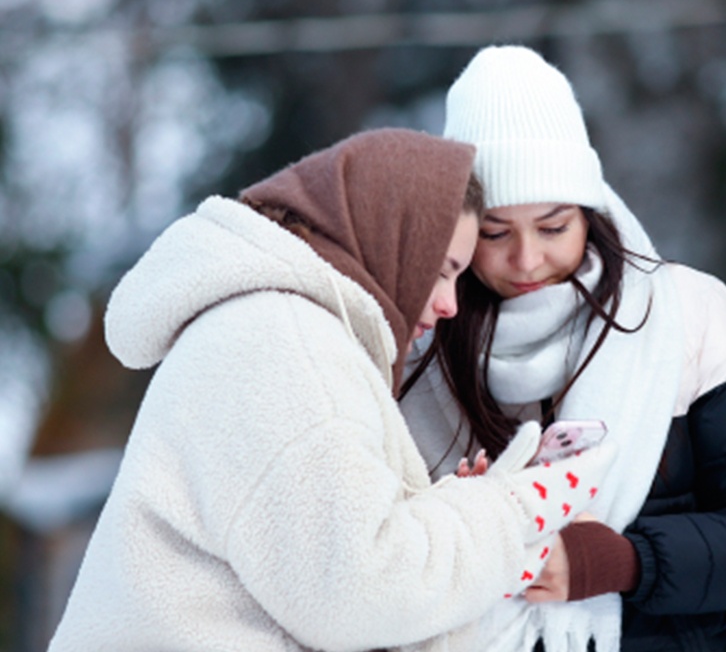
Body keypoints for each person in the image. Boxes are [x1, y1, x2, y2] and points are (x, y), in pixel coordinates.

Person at [50, 128, 614, 651]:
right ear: (390, 240)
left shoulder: (290, 333)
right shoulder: (286, 345)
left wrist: (444, 510)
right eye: (441, 271)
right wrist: (516, 508)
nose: (449, 305)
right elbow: (362, 590)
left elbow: (320, 561)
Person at [397, 45, 726, 652]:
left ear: (591, 212)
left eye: (552, 227)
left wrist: (628, 562)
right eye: (494, 234)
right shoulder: (422, 338)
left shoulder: (687, 314)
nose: (527, 260)